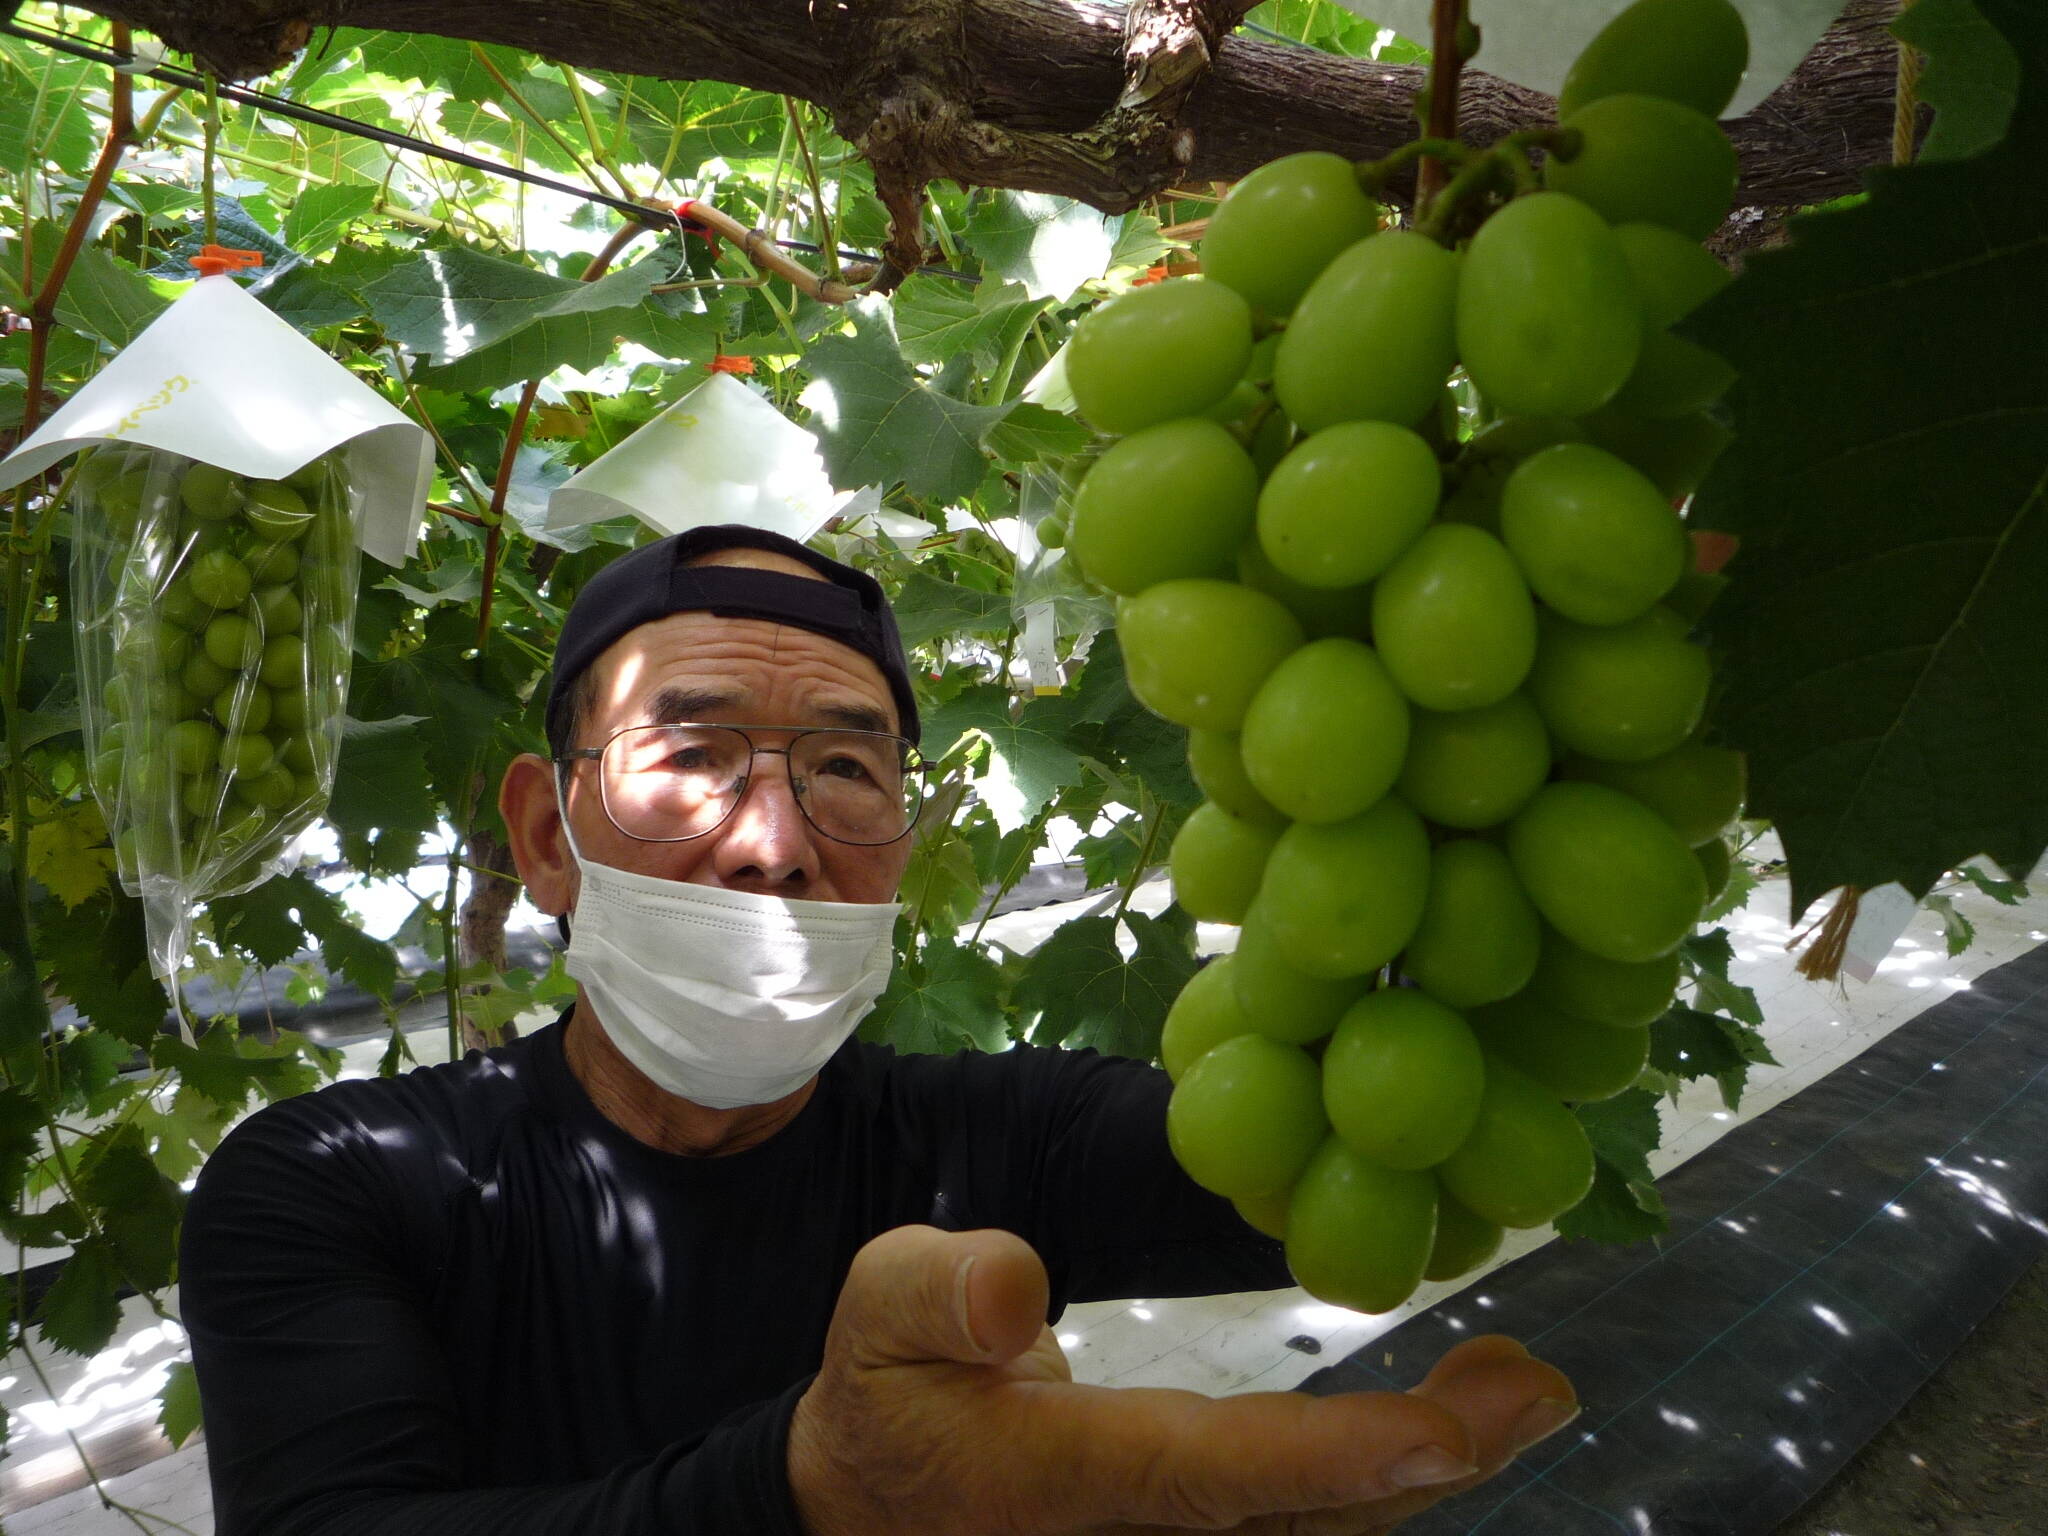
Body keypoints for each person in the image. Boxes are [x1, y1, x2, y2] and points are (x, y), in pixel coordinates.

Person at [181, 523, 1577, 1535]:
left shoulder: (1004, 1143)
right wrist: (816, 1495)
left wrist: (1522, 713)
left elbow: (1357, 1161)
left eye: (847, 767)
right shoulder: (329, 1183)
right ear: (549, 838)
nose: (776, 844)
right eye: (691, 756)